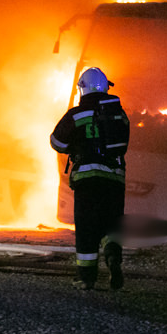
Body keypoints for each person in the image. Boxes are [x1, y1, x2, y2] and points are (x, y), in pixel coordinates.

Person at [50, 67, 130, 290]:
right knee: (110, 223)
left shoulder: (77, 114)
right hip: (115, 179)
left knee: (87, 227)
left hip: (88, 178)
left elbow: (56, 142)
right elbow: (123, 144)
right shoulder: (119, 114)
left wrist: (77, 144)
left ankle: (86, 277)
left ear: (82, 89)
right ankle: (113, 257)